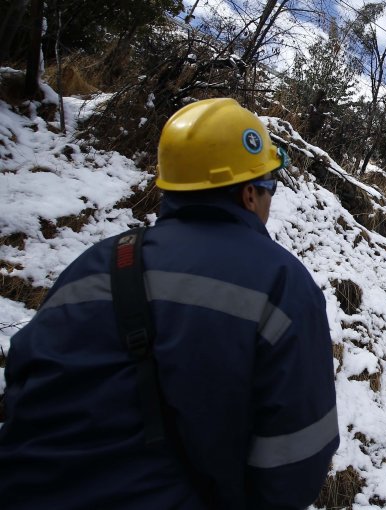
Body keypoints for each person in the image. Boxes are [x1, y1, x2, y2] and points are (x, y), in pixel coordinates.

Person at [0, 98, 339, 509]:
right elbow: (297, 453)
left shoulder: (97, 262)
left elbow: (24, 378)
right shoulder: (282, 284)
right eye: (269, 187)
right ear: (250, 194)